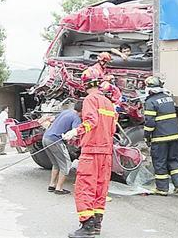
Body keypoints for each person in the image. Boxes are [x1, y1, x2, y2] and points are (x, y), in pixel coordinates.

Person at [63, 67, 117, 238]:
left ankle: (87, 226)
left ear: (85, 84)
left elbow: (91, 121)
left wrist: (75, 132)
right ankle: (96, 225)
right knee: (100, 188)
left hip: (92, 152)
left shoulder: (90, 100)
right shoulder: (109, 102)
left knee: (85, 187)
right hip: (106, 152)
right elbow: (112, 128)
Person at [143, 76, 178, 196]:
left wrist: (147, 136)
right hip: (175, 136)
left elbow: (150, 123)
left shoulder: (150, 101)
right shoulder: (168, 98)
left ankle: (162, 189)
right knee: (174, 161)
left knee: (160, 162)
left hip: (160, 138)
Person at [43, 101, 82, 195]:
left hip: (45, 138)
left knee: (56, 163)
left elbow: (53, 119)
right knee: (66, 164)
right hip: (55, 140)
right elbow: (75, 133)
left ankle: (52, 185)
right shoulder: (76, 118)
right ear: (83, 110)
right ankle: (59, 188)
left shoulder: (66, 112)